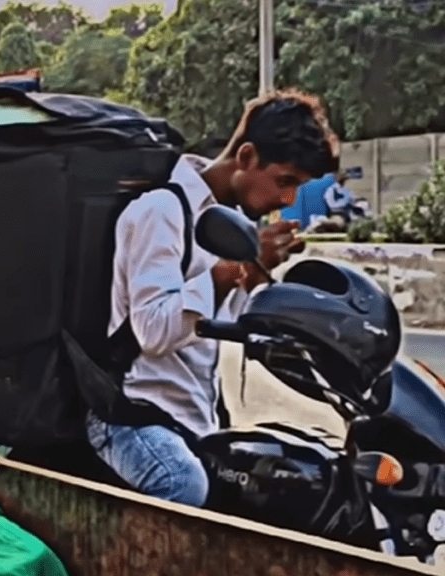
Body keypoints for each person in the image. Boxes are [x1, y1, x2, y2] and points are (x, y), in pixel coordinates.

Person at [86, 88, 340, 507]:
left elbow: (221, 327)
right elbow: (152, 330)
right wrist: (232, 271)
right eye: (285, 181)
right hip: (132, 414)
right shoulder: (162, 211)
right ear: (245, 158)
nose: (289, 199)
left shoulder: (233, 226)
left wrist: (259, 274)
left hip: (194, 417)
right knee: (183, 485)